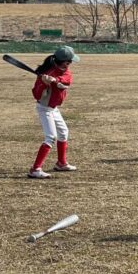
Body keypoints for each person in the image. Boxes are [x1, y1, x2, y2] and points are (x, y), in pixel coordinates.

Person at [27, 45, 80, 179]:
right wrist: (44, 83)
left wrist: (55, 81)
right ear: (64, 62)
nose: (70, 64)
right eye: (69, 61)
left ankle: (61, 163)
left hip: (54, 108)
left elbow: (67, 80)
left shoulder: (64, 71)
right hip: (44, 109)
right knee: (51, 137)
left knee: (64, 132)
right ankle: (35, 169)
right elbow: (37, 95)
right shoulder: (45, 74)